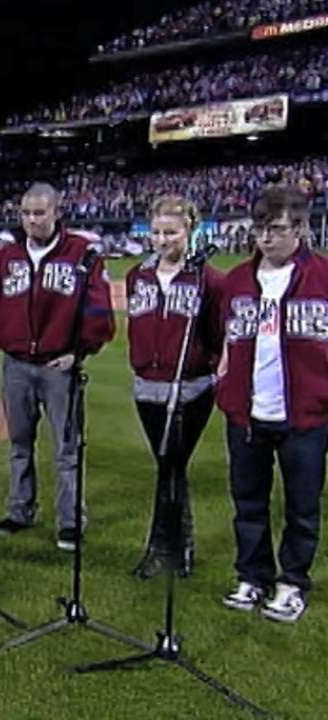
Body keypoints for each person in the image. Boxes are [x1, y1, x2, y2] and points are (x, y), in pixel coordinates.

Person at [0, 183, 115, 551]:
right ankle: (20, 511)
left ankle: (70, 522)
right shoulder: (7, 255)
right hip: (16, 364)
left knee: (67, 448)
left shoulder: (81, 254)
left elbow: (99, 311)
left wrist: (79, 352)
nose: (32, 220)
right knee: (19, 444)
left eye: (39, 213)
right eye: (26, 214)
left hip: (58, 366)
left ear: (57, 212)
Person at [216, 185, 328, 623]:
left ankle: (292, 583)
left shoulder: (322, 277)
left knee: (302, 507)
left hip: (305, 415)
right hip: (247, 413)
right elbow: (227, 338)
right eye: (260, 228)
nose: (266, 237)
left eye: (277, 229)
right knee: (248, 503)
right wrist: (226, 383)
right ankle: (252, 576)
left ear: (299, 228)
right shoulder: (237, 280)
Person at [124, 195, 224, 579]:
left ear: (189, 231)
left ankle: (162, 548)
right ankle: (179, 547)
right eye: (157, 232)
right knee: (170, 467)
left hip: (191, 388)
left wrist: (208, 366)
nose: (163, 240)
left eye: (171, 232)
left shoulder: (208, 279)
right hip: (147, 387)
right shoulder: (137, 276)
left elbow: (217, 334)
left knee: (170, 464)